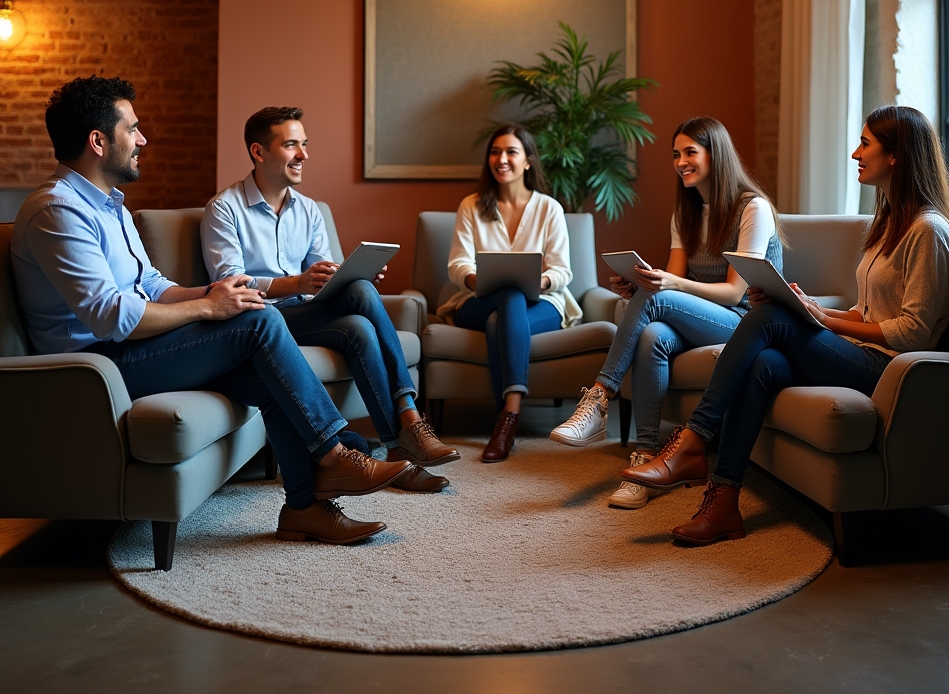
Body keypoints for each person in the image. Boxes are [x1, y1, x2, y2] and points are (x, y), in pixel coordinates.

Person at [12, 77, 414, 546]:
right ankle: (337, 452)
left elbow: (151, 286)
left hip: (126, 349)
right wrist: (208, 306)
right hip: (96, 366)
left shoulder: (111, 208)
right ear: (98, 142)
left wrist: (215, 290)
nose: (142, 140)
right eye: (133, 129)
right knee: (260, 323)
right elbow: (112, 317)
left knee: (264, 361)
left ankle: (305, 507)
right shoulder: (57, 211)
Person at [620, 105, 949, 545]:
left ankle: (692, 440)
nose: (855, 153)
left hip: (889, 370)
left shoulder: (928, 232)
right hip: (863, 353)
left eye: (866, 143)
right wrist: (808, 306)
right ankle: (723, 502)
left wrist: (818, 317)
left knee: (767, 314)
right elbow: (865, 313)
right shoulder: (889, 225)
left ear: (896, 156)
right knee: (763, 361)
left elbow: (912, 333)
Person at [201, 106, 459, 493]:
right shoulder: (224, 208)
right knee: (357, 305)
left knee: (358, 305)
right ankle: (408, 423)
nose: (304, 155)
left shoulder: (309, 210)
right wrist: (297, 282)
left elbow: (320, 280)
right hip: (260, 321)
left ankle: (398, 443)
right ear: (258, 151)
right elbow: (230, 285)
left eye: (304, 144)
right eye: (291, 145)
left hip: (303, 311)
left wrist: (350, 275)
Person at [549, 116, 784, 510]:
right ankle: (645, 457)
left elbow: (732, 292)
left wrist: (663, 288)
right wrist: (640, 285)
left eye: (690, 152)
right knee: (651, 334)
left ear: (716, 154)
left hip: (746, 324)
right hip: (705, 320)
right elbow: (670, 284)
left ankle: (598, 399)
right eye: (676, 154)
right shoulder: (686, 212)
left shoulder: (752, 208)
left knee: (657, 302)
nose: (680, 162)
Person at [438, 124, 581, 462]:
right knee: (507, 296)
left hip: (542, 303)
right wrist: (479, 279)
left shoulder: (549, 209)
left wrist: (539, 282)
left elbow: (562, 270)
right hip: (476, 299)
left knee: (503, 312)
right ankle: (512, 413)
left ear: (528, 161)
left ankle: (506, 417)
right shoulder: (471, 206)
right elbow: (457, 264)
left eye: (511, 152)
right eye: (495, 152)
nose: (501, 159)